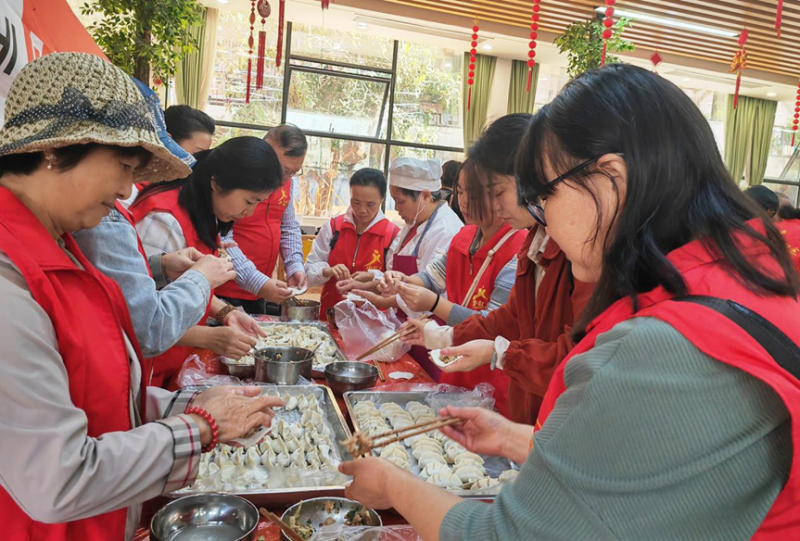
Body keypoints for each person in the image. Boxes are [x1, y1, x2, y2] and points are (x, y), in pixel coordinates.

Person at [340, 64, 800, 539]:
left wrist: (394, 486)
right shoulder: (747, 278)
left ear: (611, 180)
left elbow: (510, 535)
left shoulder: (663, 345)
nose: (541, 218)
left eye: (544, 195)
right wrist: (521, 439)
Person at [0, 52, 282, 541]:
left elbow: (94, 396)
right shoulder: (11, 277)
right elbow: (59, 477)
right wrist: (198, 427)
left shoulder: (64, 247)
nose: (130, 189)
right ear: (58, 148)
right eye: (124, 166)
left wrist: (182, 407)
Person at [400, 114, 594, 424]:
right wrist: (445, 335)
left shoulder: (577, 253)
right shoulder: (534, 242)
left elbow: (578, 358)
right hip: (527, 410)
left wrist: (501, 354)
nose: (493, 205)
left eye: (498, 192)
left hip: (556, 418)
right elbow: (510, 317)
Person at [131, 136, 284, 387]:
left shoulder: (205, 210)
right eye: (249, 201)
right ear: (217, 183)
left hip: (174, 358)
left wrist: (226, 312)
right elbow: (143, 320)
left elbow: (185, 285)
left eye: (258, 203)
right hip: (148, 367)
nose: (250, 213)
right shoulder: (163, 220)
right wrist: (210, 337)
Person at [344, 157, 463, 316]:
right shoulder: (413, 222)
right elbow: (400, 277)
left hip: (426, 329)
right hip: (403, 324)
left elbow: (428, 289)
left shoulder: (445, 231)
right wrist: (372, 278)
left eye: (400, 201)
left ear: (425, 197)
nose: (397, 208)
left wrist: (381, 301)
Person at [215, 124, 309, 314]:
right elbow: (223, 236)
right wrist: (258, 281)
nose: (285, 178)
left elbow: (288, 227)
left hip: (261, 290)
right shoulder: (241, 175)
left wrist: (294, 266)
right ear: (266, 146)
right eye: (283, 170)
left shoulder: (286, 183)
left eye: (293, 172)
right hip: (226, 288)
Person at [305, 168, 399, 319]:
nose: (362, 210)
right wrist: (327, 271)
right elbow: (308, 273)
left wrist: (371, 278)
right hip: (331, 316)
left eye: (370, 204)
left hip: (372, 324)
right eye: (356, 202)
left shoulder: (393, 235)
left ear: (382, 200)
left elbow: (394, 282)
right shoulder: (334, 227)